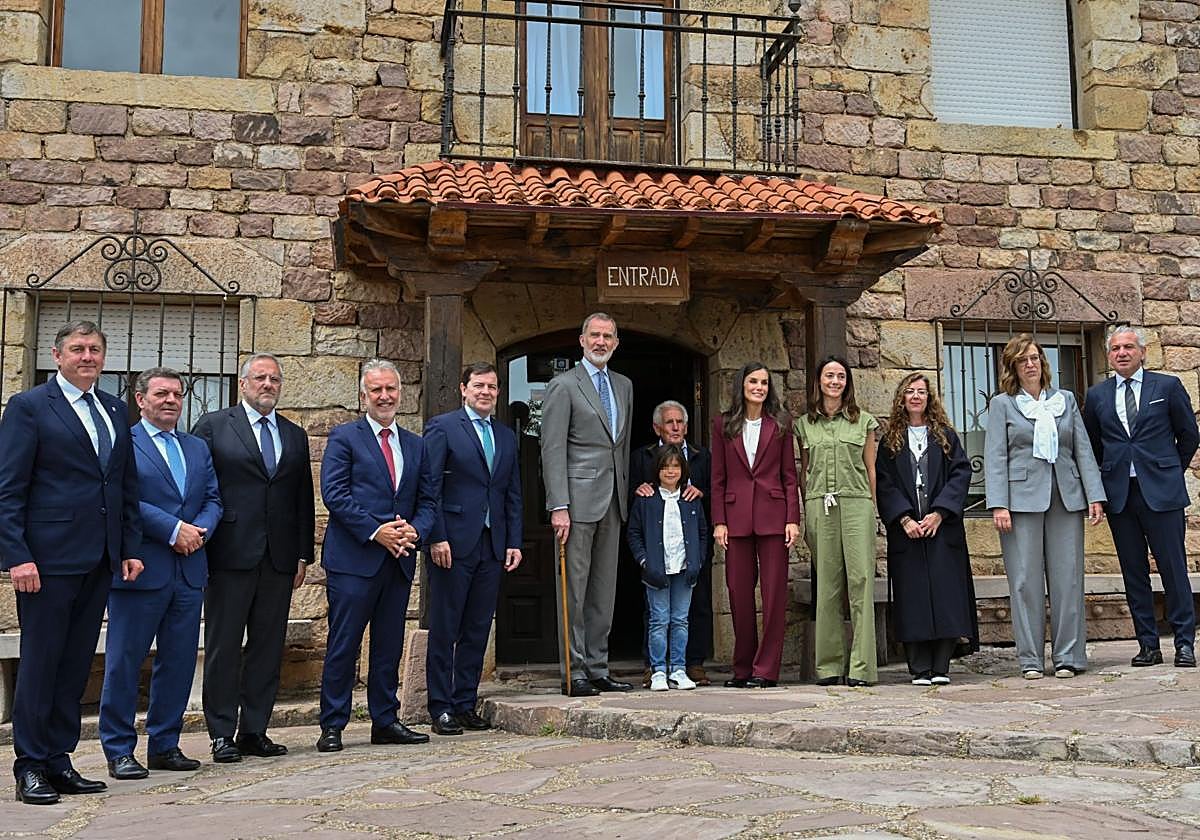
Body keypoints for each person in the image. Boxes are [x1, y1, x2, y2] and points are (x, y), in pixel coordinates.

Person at [0, 321, 143, 805]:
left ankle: (60, 760)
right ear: (57, 356)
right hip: (46, 562)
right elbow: (9, 488)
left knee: (75, 665)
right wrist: (17, 555)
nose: (88, 356)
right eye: (78, 349)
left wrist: (128, 547)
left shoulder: (114, 409)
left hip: (98, 559)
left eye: (96, 349)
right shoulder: (30, 407)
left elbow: (123, 484)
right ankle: (29, 766)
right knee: (40, 664)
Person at [100, 367, 222, 779]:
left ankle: (165, 745)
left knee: (179, 661)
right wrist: (172, 530)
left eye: (177, 394)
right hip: (141, 569)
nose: (170, 400)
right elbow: (123, 498)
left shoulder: (195, 447)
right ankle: (118, 749)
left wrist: (198, 532)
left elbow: (212, 498)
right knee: (124, 662)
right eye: (161, 394)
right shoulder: (124, 442)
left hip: (189, 569)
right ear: (140, 399)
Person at [192, 352, 315, 762]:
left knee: (267, 645)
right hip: (229, 553)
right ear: (243, 384)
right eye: (260, 378)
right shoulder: (213, 426)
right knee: (224, 645)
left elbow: (302, 498)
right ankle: (221, 733)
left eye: (274, 380)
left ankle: (255, 729)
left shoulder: (294, 435)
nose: (267, 385)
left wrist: (302, 555)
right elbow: (199, 486)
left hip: (278, 558)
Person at [315, 359, 435, 752]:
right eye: (376, 390)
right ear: (363, 396)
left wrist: (415, 530)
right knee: (344, 643)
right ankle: (332, 724)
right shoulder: (345, 437)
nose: (385, 396)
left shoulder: (416, 444)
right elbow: (335, 495)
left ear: (401, 393)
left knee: (388, 646)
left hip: (398, 560)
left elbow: (428, 500)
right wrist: (377, 531)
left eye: (391, 389)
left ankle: (385, 720)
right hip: (354, 560)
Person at [985, 334, 1105, 680]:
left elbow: (1082, 449)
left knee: (1068, 578)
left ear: (1043, 362)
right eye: (1023, 360)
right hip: (1020, 501)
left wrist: (1094, 495)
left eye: (1035, 358)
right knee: (1025, 580)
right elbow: (995, 456)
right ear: (1013, 367)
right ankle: (1031, 659)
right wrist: (998, 504)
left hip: (1065, 496)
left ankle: (1069, 655)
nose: (1031, 364)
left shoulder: (1064, 400)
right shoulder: (1003, 404)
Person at [1083, 324, 1199, 668]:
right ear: (1109, 355)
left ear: (1142, 352)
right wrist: (1103, 486)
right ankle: (1147, 644)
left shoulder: (1167, 386)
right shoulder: (1097, 395)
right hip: (1121, 496)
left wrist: (1169, 470)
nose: (1122, 353)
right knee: (1133, 572)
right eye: (1116, 348)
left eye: (1128, 347)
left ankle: (1183, 643)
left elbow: (1188, 435)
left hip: (1162, 493)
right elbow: (1093, 445)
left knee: (1173, 569)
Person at [423, 362, 523, 736]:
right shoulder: (443, 427)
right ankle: (440, 707)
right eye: (479, 385)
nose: (486, 392)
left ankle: (464, 702)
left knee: (478, 627)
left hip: (492, 544)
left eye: (492, 387)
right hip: (452, 542)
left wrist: (513, 540)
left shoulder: (506, 435)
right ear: (463, 389)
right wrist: (436, 536)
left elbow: (512, 493)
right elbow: (429, 487)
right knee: (446, 626)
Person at [540, 313, 634, 697]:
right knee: (573, 590)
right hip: (575, 504)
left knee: (602, 591)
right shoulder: (563, 386)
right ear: (581, 341)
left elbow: (621, 447)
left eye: (607, 336)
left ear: (615, 342)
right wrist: (558, 504)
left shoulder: (624, 385)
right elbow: (552, 448)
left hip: (613, 500)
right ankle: (573, 670)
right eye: (594, 335)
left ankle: (598, 666)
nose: (600, 341)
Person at [875, 372, 977, 686]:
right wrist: (904, 518)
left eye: (921, 391)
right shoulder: (890, 439)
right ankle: (919, 667)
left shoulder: (945, 435)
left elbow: (960, 473)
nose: (916, 396)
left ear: (929, 397)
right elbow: (884, 481)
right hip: (907, 531)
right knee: (912, 594)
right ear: (902, 398)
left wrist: (940, 513)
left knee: (946, 594)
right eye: (910, 391)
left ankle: (941, 666)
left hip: (940, 529)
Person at [712, 362, 800, 689]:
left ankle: (766, 670)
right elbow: (718, 478)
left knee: (774, 595)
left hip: (774, 518)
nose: (759, 387)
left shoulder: (780, 424)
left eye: (764, 382)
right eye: (753, 381)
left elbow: (790, 476)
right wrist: (719, 521)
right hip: (735, 521)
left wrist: (793, 518)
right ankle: (743, 668)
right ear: (742, 385)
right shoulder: (723, 424)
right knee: (738, 594)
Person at [796, 356, 879, 687]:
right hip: (820, 505)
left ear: (847, 382)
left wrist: (872, 507)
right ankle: (829, 666)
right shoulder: (805, 424)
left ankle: (862, 667)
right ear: (819, 381)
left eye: (840, 376)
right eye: (829, 375)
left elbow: (871, 468)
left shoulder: (865, 422)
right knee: (827, 585)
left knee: (860, 581)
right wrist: (807, 505)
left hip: (857, 502)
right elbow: (805, 470)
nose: (835, 381)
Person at [630, 400, 713, 687]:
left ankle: (692, 664)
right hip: (656, 552)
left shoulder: (703, 456)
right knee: (656, 614)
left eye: (680, 422)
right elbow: (635, 503)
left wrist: (701, 494)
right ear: (657, 428)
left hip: (690, 547)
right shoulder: (643, 457)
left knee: (692, 608)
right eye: (669, 422)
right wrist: (643, 559)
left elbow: (715, 490)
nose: (676, 427)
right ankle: (654, 667)